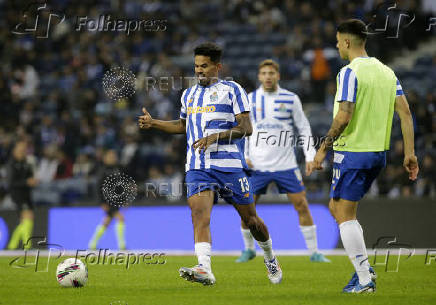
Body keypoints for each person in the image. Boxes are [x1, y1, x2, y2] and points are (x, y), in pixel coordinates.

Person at [139, 42, 282, 285]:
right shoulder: (189, 94)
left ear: (218, 67)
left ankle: (270, 257)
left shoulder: (232, 90)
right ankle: (204, 268)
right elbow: (183, 126)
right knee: (199, 215)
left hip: (229, 166)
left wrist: (216, 136)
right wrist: (155, 124)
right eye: (196, 66)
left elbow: (246, 128)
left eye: (204, 66)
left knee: (251, 221)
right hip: (197, 166)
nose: (199, 71)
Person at [307, 19, 419, 293]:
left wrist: (322, 149)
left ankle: (365, 279)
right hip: (377, 154)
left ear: (346, 42)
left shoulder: (349, 72)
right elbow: (405, 112)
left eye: (337, 41)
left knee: (344, 214)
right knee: (337, 208)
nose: (336, 46)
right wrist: (410, 153)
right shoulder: (386, 72)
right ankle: (364, 268)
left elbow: (344, 116)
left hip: (353, 152)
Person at [236, 59, 330, 263]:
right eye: (264, 73)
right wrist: (244, 157)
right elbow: (241, 132)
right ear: (259, 77)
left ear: (278, 75)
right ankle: (248, 249)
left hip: (286, 165)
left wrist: (309, 156)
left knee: (302, 205)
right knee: (247, 210)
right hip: (257, 166)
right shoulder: (249, 100)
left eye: (271, 73)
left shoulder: (291, 98)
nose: (268, 76)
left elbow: (303, 128)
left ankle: (314, 252)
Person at [88, 149, 126, 250]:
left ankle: (93, 243)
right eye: (110, 156)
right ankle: (122, 245)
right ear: (105, 158)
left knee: (107, 222)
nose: (113, 158)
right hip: (107, 200)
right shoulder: (102, 170)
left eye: (114, 156)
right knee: (120, 218)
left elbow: (120, 185)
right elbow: (98, 187)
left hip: (116, 199)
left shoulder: (118, 169)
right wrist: (101, 202)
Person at [7, 141, 38, 250]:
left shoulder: (26, 163)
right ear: (15, 151)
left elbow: (30, 176)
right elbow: (11, 182)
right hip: (17, 194)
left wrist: (32, 181)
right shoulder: (11, 164)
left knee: (24, 220)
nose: (22, 151)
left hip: (27, 194)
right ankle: (27, 245)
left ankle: (12, 245)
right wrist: (26, 182)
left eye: (24, 149)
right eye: (20, 149)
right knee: (28, 217)